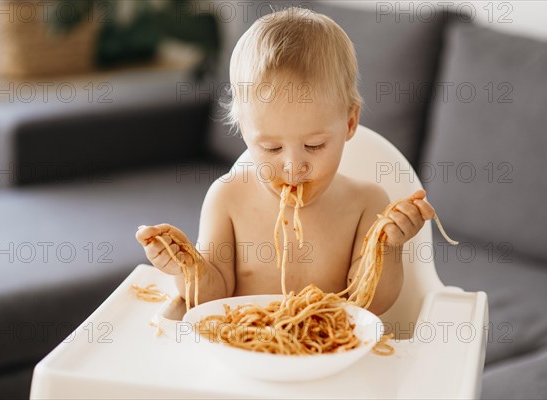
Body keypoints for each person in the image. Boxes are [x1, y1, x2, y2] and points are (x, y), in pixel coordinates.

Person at [136, 7, 435, 316]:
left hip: (329, 353)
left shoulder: (365, 204)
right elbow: (211, 297)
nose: (293, 166)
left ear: (349, 123)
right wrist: (186, 267)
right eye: (271, 148)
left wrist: (387, 247)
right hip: (244, 353)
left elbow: (368, 305)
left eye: (314, 145)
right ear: (244, 132)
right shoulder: (227, 199)